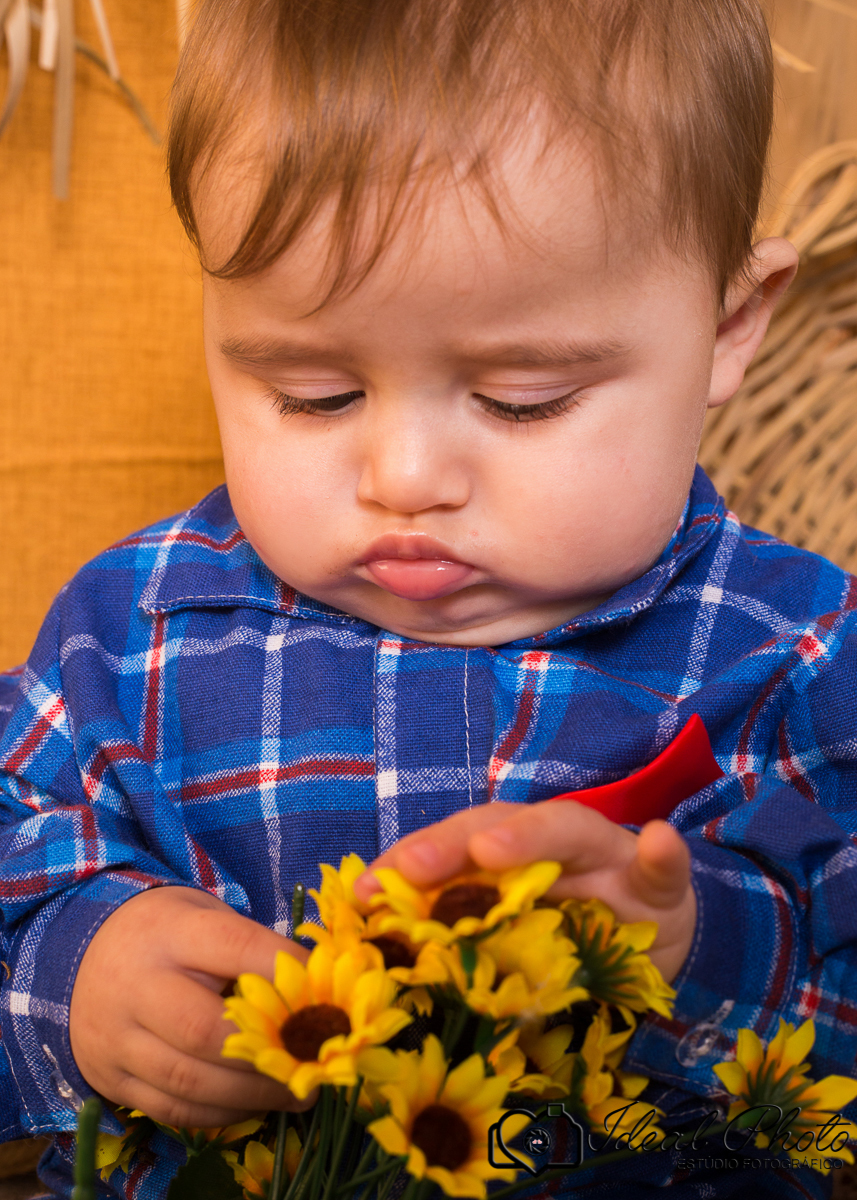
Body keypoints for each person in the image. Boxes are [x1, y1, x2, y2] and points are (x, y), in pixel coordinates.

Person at [2, 0, 856, 1195]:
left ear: (727, 327)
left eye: (520, 400)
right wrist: (74, 978)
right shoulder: (124, 643)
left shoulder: (801, 655)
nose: (402, 479)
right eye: (309, 392)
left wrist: (694, 942)